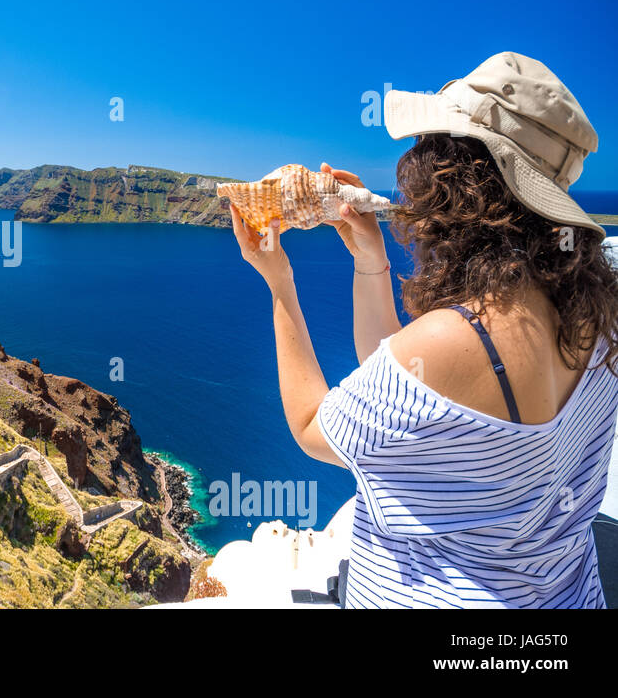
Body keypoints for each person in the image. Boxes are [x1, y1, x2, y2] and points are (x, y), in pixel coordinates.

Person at [230, 52, 618, 608]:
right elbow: (406, 386)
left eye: (425, 152)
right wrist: (371, 261)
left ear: (456, 180)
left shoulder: (453, 339)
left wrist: (279, 283)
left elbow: (311, 426)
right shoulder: (598, 313)